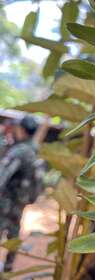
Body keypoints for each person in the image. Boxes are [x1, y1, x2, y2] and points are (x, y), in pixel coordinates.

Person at [0, 115, 47, 272]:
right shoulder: (35, 149)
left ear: (21, 130)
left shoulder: (19, 151)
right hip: (20, 202)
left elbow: (2, 175)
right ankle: (8, 268)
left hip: (6, 201)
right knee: (13, 234)